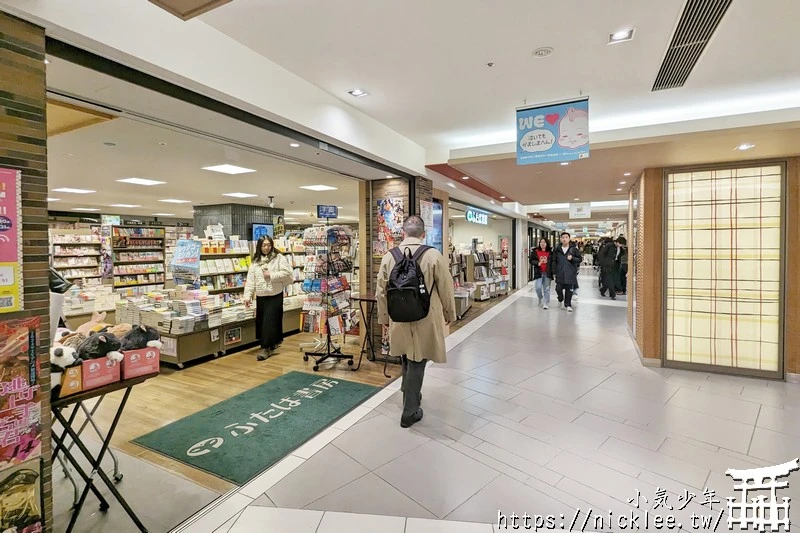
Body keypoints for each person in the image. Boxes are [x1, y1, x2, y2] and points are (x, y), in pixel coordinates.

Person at [376, 215, 456, 428]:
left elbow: (381, 292)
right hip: (425, 316)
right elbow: (446, 288)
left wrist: (384, 317)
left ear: (403, 233)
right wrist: (450, 313)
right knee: (418, 359)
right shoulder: (433, 255)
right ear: (423, 233)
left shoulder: (388, 256)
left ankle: (408, 394)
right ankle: (410, 411)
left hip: (398, 317)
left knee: (406, 355)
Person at [244, 235, 293, 360]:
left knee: (270, 320)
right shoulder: (255, 262)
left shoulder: (278, 258)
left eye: (269, 245)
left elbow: (286, 273)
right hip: (261, 295)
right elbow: (250, 280)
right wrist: (247, 296)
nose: (266, 248)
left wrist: (271, 275)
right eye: (264, 245)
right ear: (259, 246)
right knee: (263, 321)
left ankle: (265, 348)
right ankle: (272, 343)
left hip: (274, 294)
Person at [550, 232, 581, 312]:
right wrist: (553, 272)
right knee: (558, 289)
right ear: (560, 239)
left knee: (569, 290)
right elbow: (553, 261)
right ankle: (560, 299)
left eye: (566, 237)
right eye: (563, 237)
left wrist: (573, 258)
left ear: (569, 238)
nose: (564, 239)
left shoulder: (573, 249)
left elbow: (580, 259)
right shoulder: (557, 249)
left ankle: (568, 305)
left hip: (570, 273)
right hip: (560, 272)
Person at [530, 238, 553, 309]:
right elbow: (531, 261)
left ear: (547, 244)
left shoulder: (551, 252)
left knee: (546, 289)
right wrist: (537, 263)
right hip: (538, 272)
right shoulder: (535, 251)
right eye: (541, 242)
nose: (542, 244)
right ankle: (540, 297)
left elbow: (553, 262)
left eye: (544, 242)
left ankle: (545, 303)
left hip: (547, 273)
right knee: (538, 287)